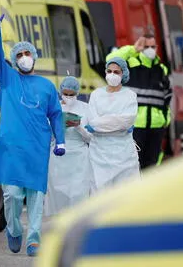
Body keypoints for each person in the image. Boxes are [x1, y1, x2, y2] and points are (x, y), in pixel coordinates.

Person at [0, 15, 66, 257]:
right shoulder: (8, 79)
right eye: (18, 55)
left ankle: (33, 239)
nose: (23, 58)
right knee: (11, 195)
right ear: (14, 60)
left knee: (35, 195)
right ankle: (14, 228)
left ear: (34, 57)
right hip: (11, 148)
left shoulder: (46, 86)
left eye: (26, 54)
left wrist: (60, 140)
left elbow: (56, 114)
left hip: (37, 148)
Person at [107, 34, 172, 169]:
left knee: (152, 165)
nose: (150, 49)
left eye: (152, 47)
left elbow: (167, 98)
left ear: (157, 47)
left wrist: (166, 120)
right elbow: (110, 60)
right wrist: (133, 49)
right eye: (146, 46)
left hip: (156, 127)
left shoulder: (161, 70)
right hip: (135, 126)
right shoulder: (130, 65)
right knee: (132, 164)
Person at [84, 57, 140, 192]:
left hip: (124, 153)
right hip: (99, 153)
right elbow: (92, 121)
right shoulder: (96, 95)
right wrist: (116, 123)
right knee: (100, 192)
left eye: (116, 72)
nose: (112, 75)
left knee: (126, 193)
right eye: (109, 71)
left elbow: (127, 120)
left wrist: (101, 124)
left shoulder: (130, 95)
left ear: (123, 74)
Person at [45, 76, 92, 217]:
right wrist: (58, 129)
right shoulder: (53, 108)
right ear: (60, 92)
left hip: (80, 157)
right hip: (58, 156)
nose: (68, 97)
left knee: (79, 194)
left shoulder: (86, 109)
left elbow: (90, 138)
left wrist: (78, 127)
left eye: (72, 95)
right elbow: (46, 136)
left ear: (77, 93)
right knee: (58, 197)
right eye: (65, 94)